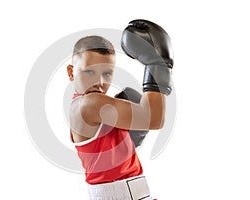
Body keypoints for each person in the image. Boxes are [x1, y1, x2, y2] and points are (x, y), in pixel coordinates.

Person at [66, 19, 173, 200]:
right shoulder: (89, 104)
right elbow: (154, 119)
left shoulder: (98, 108)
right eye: (89, 72)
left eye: (107, 73)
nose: (99, 82)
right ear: (71, 72)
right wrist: (157, 65)